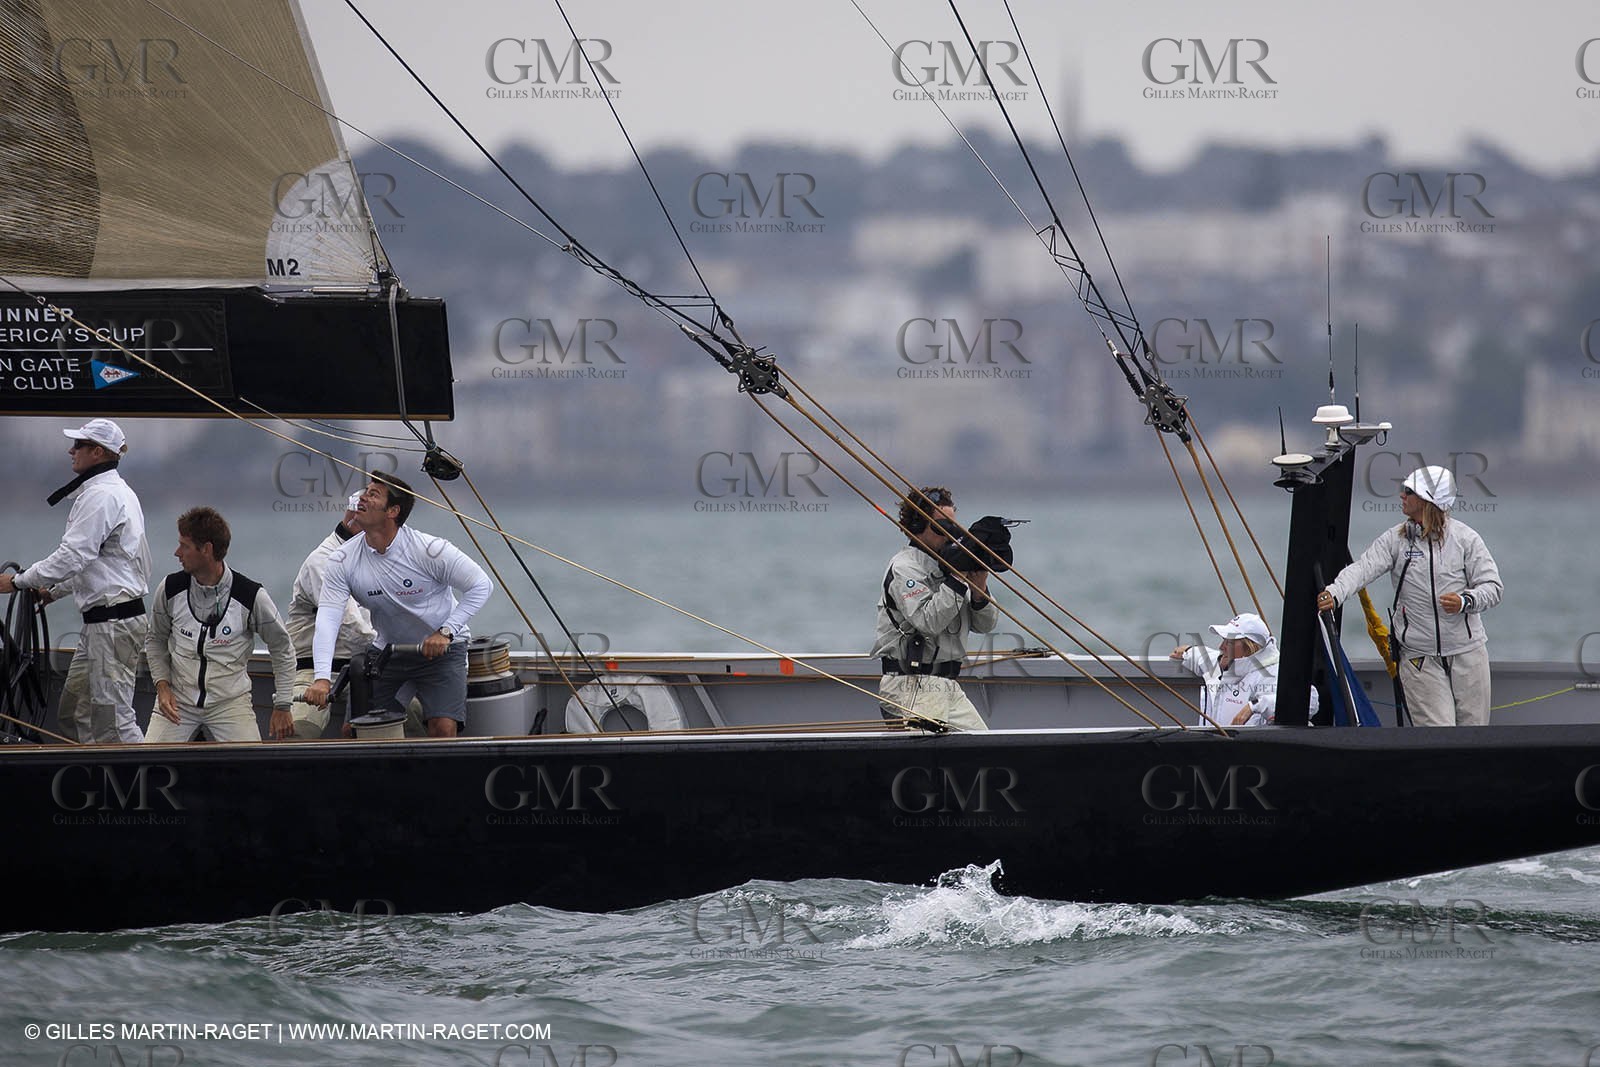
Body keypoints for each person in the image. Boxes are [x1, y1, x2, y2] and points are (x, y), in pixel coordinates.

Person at [302, 473, 494, 738]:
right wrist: (322, 678)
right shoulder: (342, 559)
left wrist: (446, 631)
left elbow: (481, 585)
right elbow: (328, 619)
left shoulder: (429, 550)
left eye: (373, 494)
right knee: (353, 731)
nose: (362, 498)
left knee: (442, 729)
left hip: (442, 652)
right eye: (364, 491)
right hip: (388, 652)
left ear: (393, 511)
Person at [0, 419, 151, 743]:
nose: (71, 451)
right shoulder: (119, 493)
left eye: (79, 445)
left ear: (97, 452)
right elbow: (101, 562)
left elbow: (73, 556)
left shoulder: (100, 497)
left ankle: (139, 783)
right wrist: (54, 592)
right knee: (72, 712)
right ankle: (95, 779)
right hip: (106, 622)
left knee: (115, 722)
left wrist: (17, 582)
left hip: (112, 625)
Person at [1317, 465, 1502, 726]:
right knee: (1438, 735)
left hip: (1468, 655)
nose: (1401, 495)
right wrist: (1334, 593)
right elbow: (1362, 569)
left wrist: (1465, 601)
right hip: (1419, 659)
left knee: (1474, 736)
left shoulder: (1466, 539)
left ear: (1428, 500)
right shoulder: (1395, 540)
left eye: (1409, 491)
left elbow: (1493, 587)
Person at [144, 507, 298, 742]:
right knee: (147, 764)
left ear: (206, 550)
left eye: (184, 546)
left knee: (254, 773)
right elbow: (155, 640)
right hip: (178, 702)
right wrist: (162, 686)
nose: (177, 553)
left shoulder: (250, 595)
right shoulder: (170, 589)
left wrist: (283, 704)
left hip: (230, 704)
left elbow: (282, 647)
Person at [872, 485, 999, 731]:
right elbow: (928, 622)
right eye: (941, 527)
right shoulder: (905, 568)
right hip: (912, 685)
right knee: (927, 761)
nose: (949, 535)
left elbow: (985, 625)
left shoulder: (950, 566)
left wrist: (979, 587)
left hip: (947, 684)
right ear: (918, 526)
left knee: (983, 746)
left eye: (952, 527)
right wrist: (957, 579)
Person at [284, 493, 377, 739]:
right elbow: (348, 624)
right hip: (312, 668)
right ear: (353, 517)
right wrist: (389, 647)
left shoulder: (377, 556)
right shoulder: (322, 562)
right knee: (302, 726)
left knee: (411, 714)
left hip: (363, 666)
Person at [1171, 612, 1317, 727]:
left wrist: (1254, 706)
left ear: (1250, 647)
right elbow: (1204, 657)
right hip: (1216, 751)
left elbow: (1311, 701)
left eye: (1229, 642)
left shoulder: (1274, 673)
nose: (1221, 647)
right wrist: (1188, 652)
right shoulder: (1225, 663)